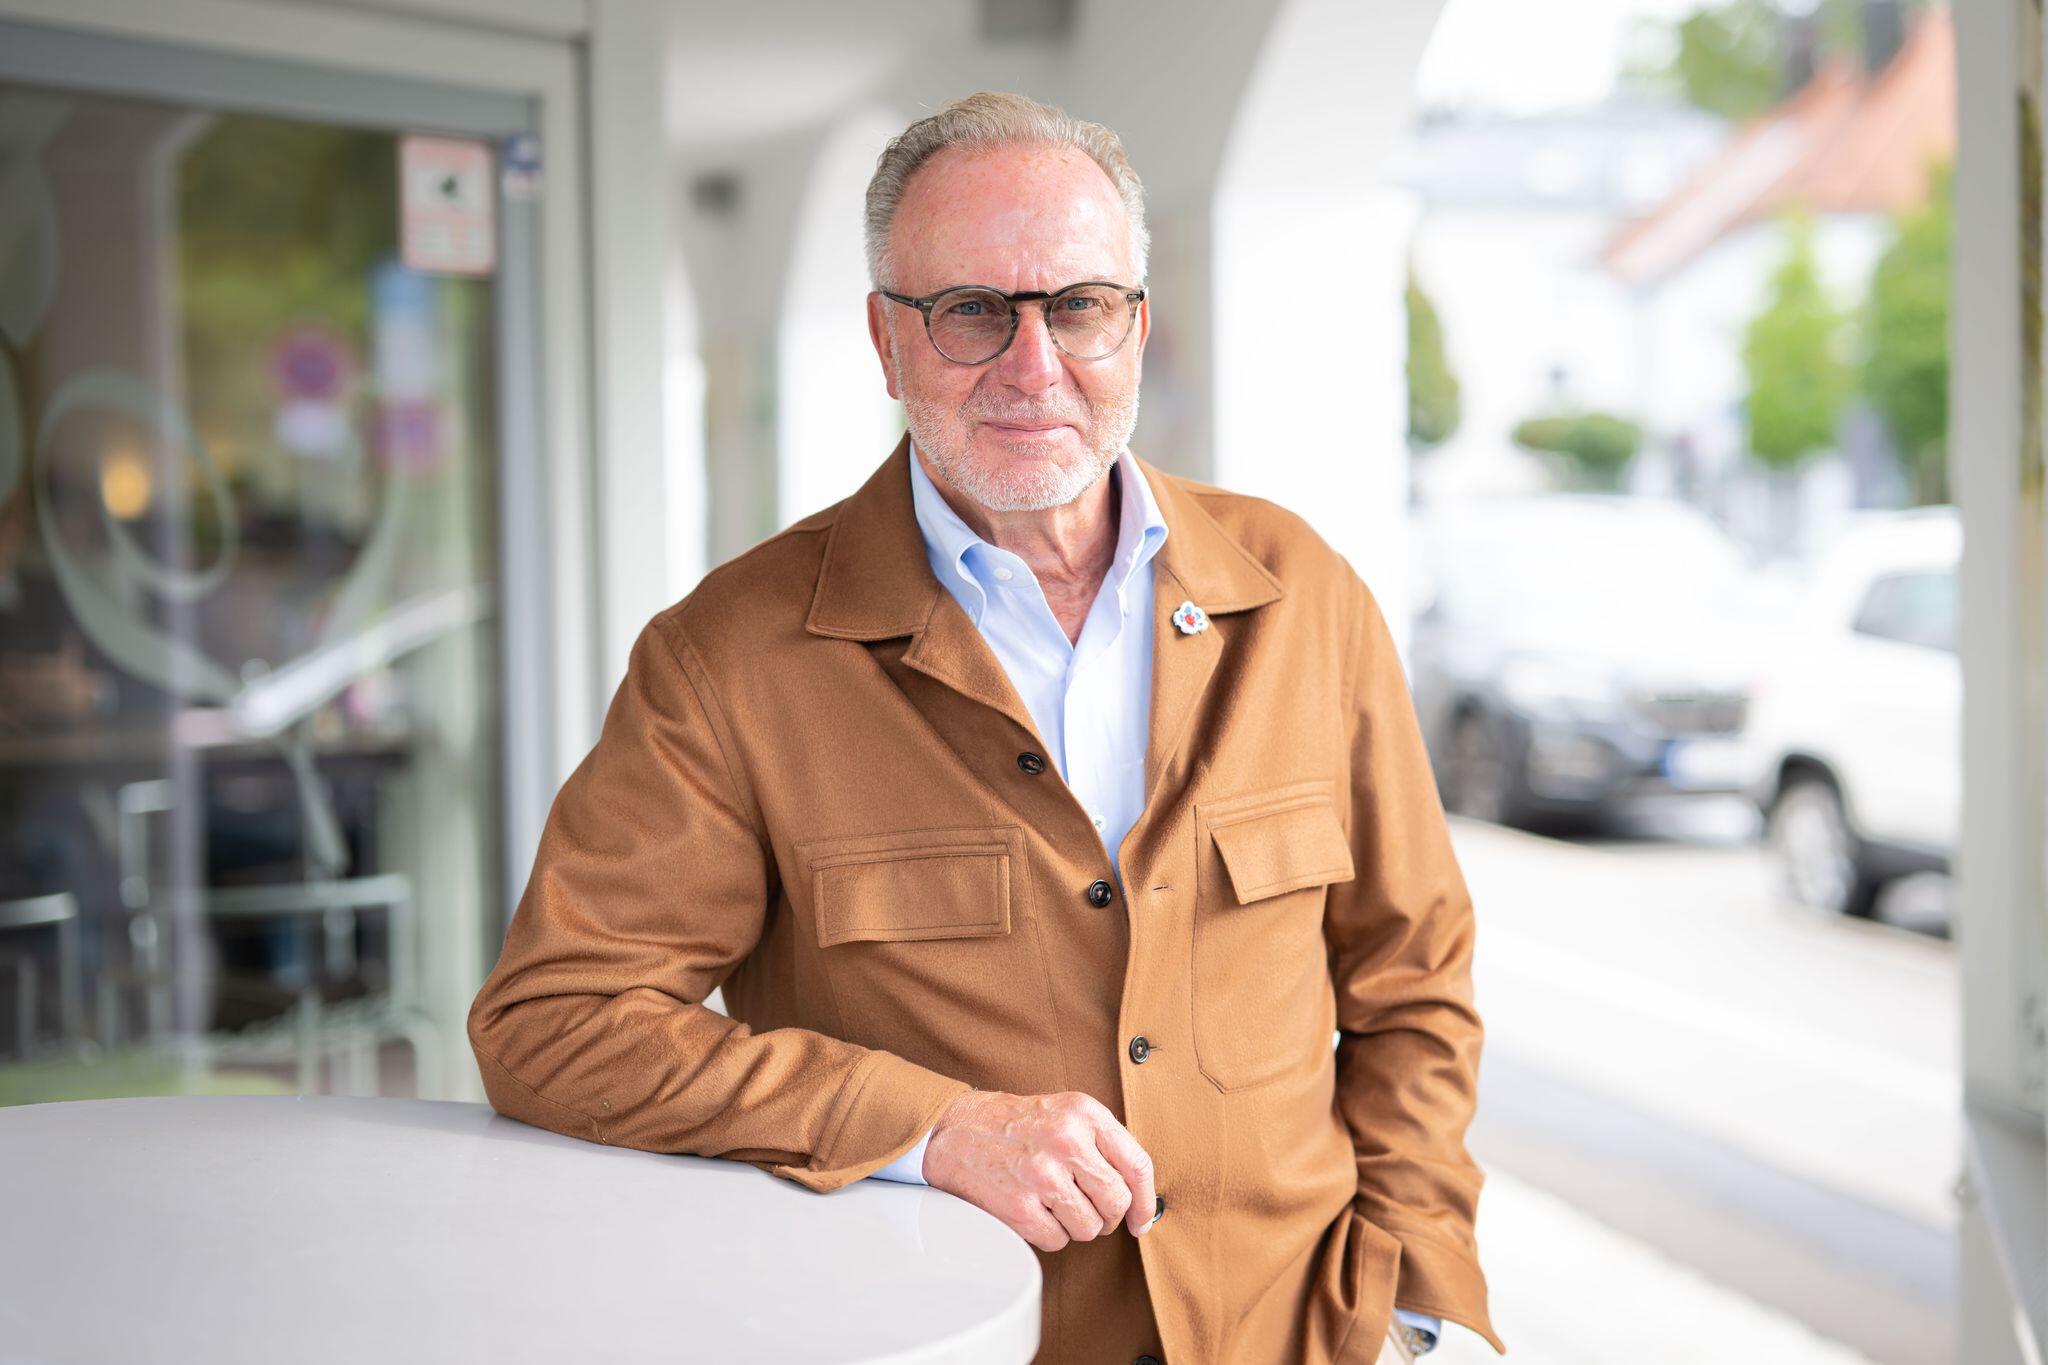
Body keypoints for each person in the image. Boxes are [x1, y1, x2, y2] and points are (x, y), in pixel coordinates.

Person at [467, 90, 1504, 1365]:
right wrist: (927, 1128)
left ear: (1135, 324)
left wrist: (1408, 1304)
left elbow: (1412, 977)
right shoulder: (727, 659)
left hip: (1297, 1336)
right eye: (969, 311)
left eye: (1078, 306)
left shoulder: (1303, 595)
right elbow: (555, 1021)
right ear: (884, 339)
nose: (1031, 365)